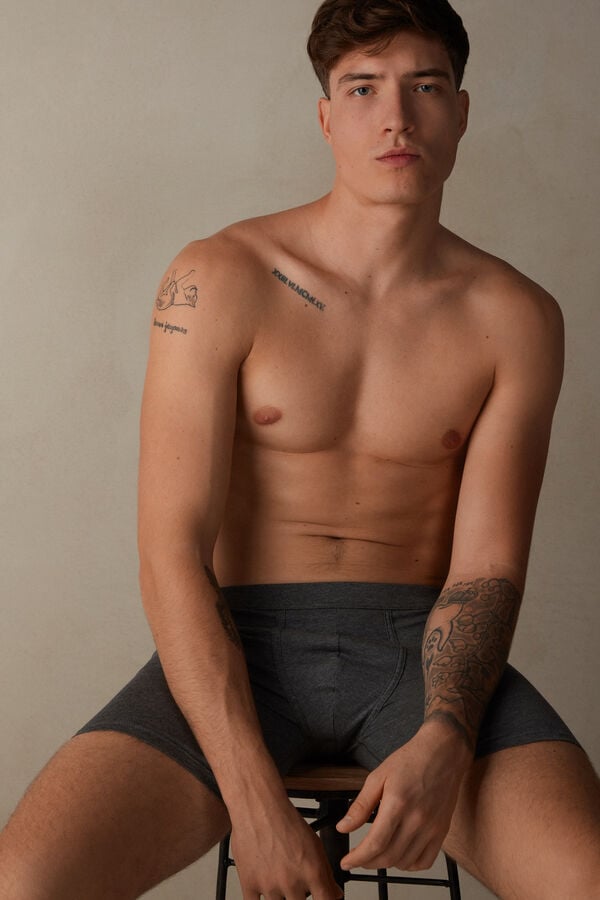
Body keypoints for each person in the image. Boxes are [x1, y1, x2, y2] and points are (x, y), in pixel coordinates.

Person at [1, 1, 599, 897]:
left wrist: (447, 736)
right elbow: (170, 551)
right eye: (362, 89)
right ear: (325, 116)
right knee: (26, 882)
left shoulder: (517, 317)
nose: (395, 118)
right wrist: (251, 799)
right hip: (235, 647)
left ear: (462, 111)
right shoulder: (218, 277)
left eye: (425, 86)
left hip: (422, 655)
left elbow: (486, 569)